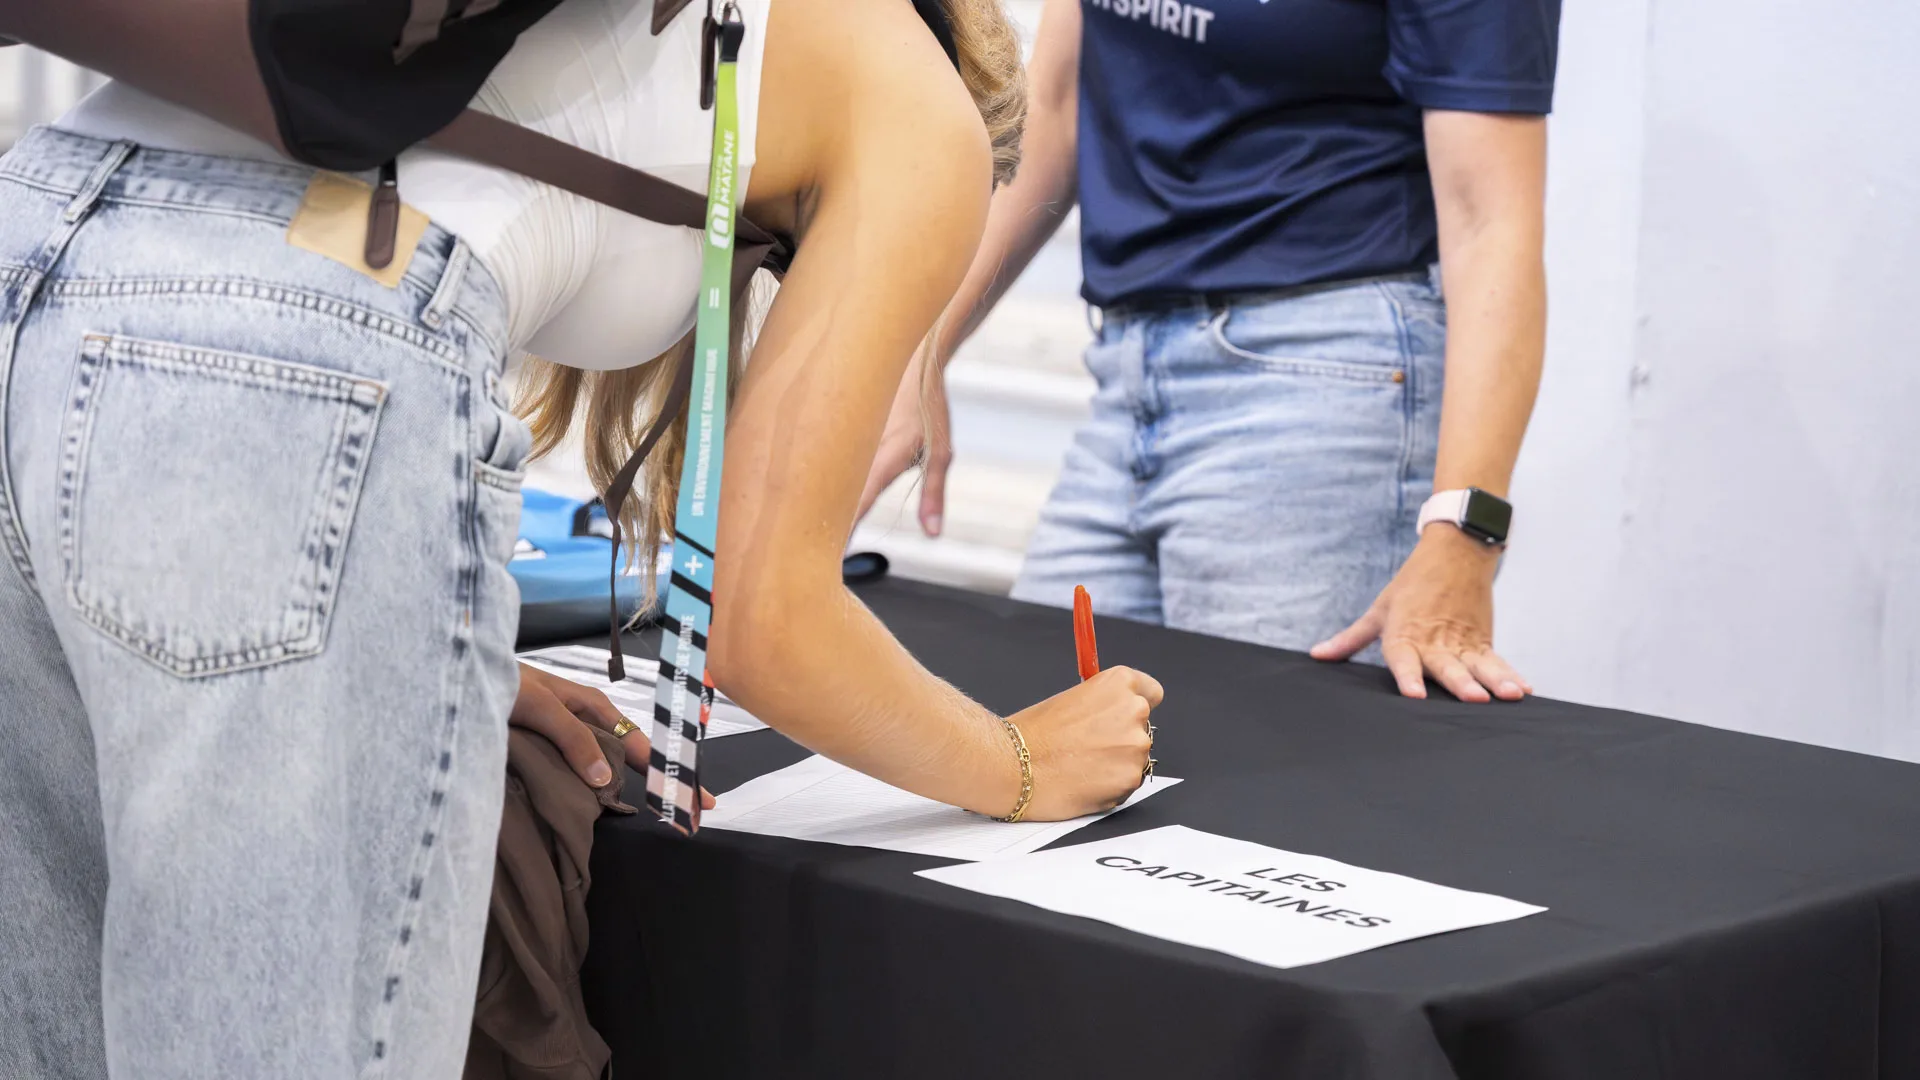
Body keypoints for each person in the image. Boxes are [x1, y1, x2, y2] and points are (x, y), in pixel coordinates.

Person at [0, 1, 1160, 1077]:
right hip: (284, 355)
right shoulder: (927, 116)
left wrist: (429, 640)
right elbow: (762, 621)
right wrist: (1014, 764)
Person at [860, 0, 1561, 703]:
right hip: (1128, 375)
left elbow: (1490, 223)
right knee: (1040, 741)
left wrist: (1466, 528)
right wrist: (919, 349)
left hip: (1325, 383)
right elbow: (1058, 96)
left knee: (1281, 779)